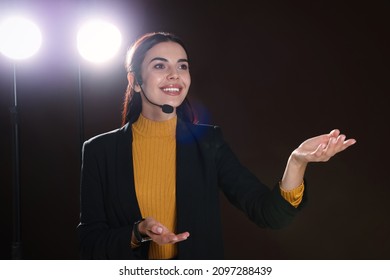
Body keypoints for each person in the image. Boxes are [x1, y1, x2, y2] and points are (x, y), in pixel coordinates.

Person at [76, 32, 356, 260]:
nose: (175, 75)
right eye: (160, 66)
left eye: (182, 66)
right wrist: (138, 232)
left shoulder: (208, 143)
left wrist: (297, 161)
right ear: (134, 81)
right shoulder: (99, 151)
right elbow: (89, 244)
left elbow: (268, 213)